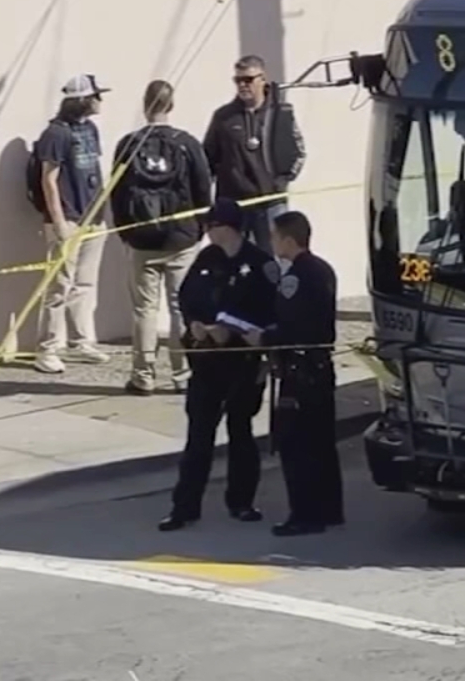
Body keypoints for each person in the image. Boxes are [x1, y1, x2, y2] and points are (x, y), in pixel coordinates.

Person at [158, 199, 279, 531]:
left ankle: (241, 502)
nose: (208, 232)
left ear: (228, 227)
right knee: (199, 435)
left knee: (240, 431)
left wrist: (235, 329)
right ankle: (184, 507)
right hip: (207, 360)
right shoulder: (207, 259)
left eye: (212, 226)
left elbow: (270, 312)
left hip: (242, 360)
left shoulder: (260, 264)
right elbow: (188, 297)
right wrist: (197, 322)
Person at [245, 210, 343, 537]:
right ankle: (329, 509)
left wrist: (264, 338)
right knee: (322, 443)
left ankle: (304, 514)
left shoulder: (295, 276)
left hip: (299, 371)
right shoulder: (323, 270)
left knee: (296, 446)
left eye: (275, 236)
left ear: (288, 239)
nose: (272, 242)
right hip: (320, 367)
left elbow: (293, 324)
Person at [111, 80, 213, 395]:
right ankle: (182, 375)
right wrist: (200, 229)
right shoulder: (187, 144)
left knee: (144, 309)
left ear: (145, 104)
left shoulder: (128, 144)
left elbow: (115, 193)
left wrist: (125, 232)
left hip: (141, 240)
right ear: (171, 105)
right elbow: (202, 189)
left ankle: (143, 376)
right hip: (181, 238)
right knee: (180, 306)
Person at [26, 73, 113, 374]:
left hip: (93, 217)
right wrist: (59, 221)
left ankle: (80, 341)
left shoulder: (89, 129)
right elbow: (48, 179)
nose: (100, 101)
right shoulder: (55, 134)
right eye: (96, 95)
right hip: (68, 219)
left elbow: (94, 171)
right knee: (59, 286)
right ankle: (47, 348)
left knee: (84, 284)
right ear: (83, 100)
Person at [202, 55, 307, 248]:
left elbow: (298, 152)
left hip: (271, 203)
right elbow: (208, 159)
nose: (243, 85)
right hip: (236, 205)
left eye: (248, 80)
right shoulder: (224, 117)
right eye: (238, 80)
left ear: (262, 79)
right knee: (238, 262)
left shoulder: (279, 113)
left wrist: (281, 181)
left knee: (275, 261)